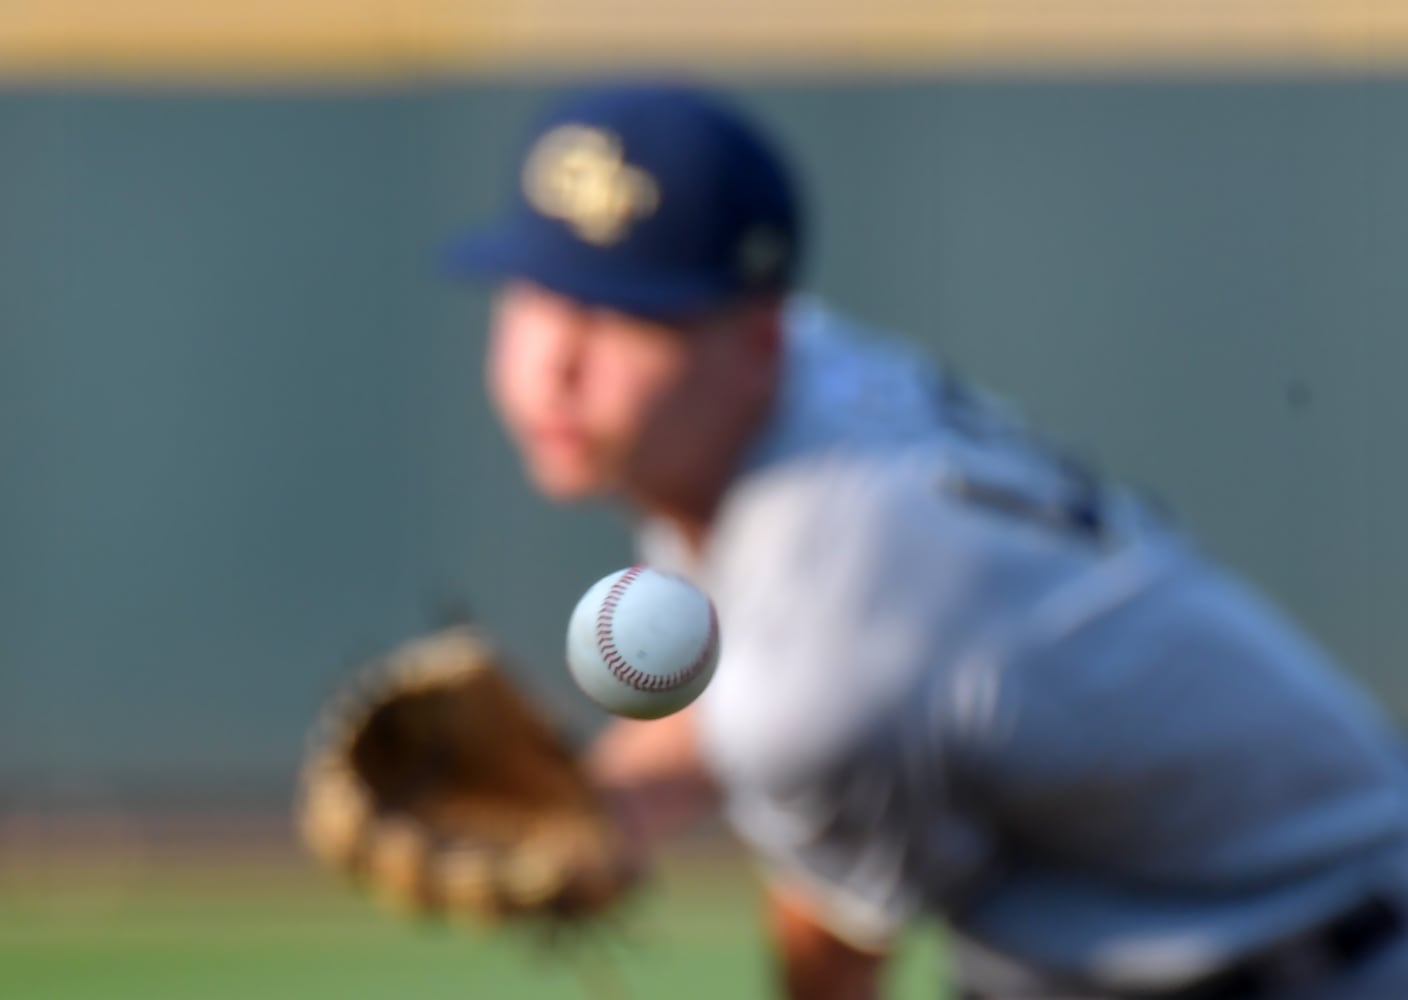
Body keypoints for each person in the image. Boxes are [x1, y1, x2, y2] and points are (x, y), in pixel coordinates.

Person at [445, 81, 1408, 999]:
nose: (554, 364)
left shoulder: (832, 620)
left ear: (755, 341)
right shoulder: (796, 390)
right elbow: (771, 671)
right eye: (537, 295)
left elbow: (831, 951)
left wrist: (616, 822)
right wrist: (606, 806)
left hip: (1310, 952)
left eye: (627, 315)